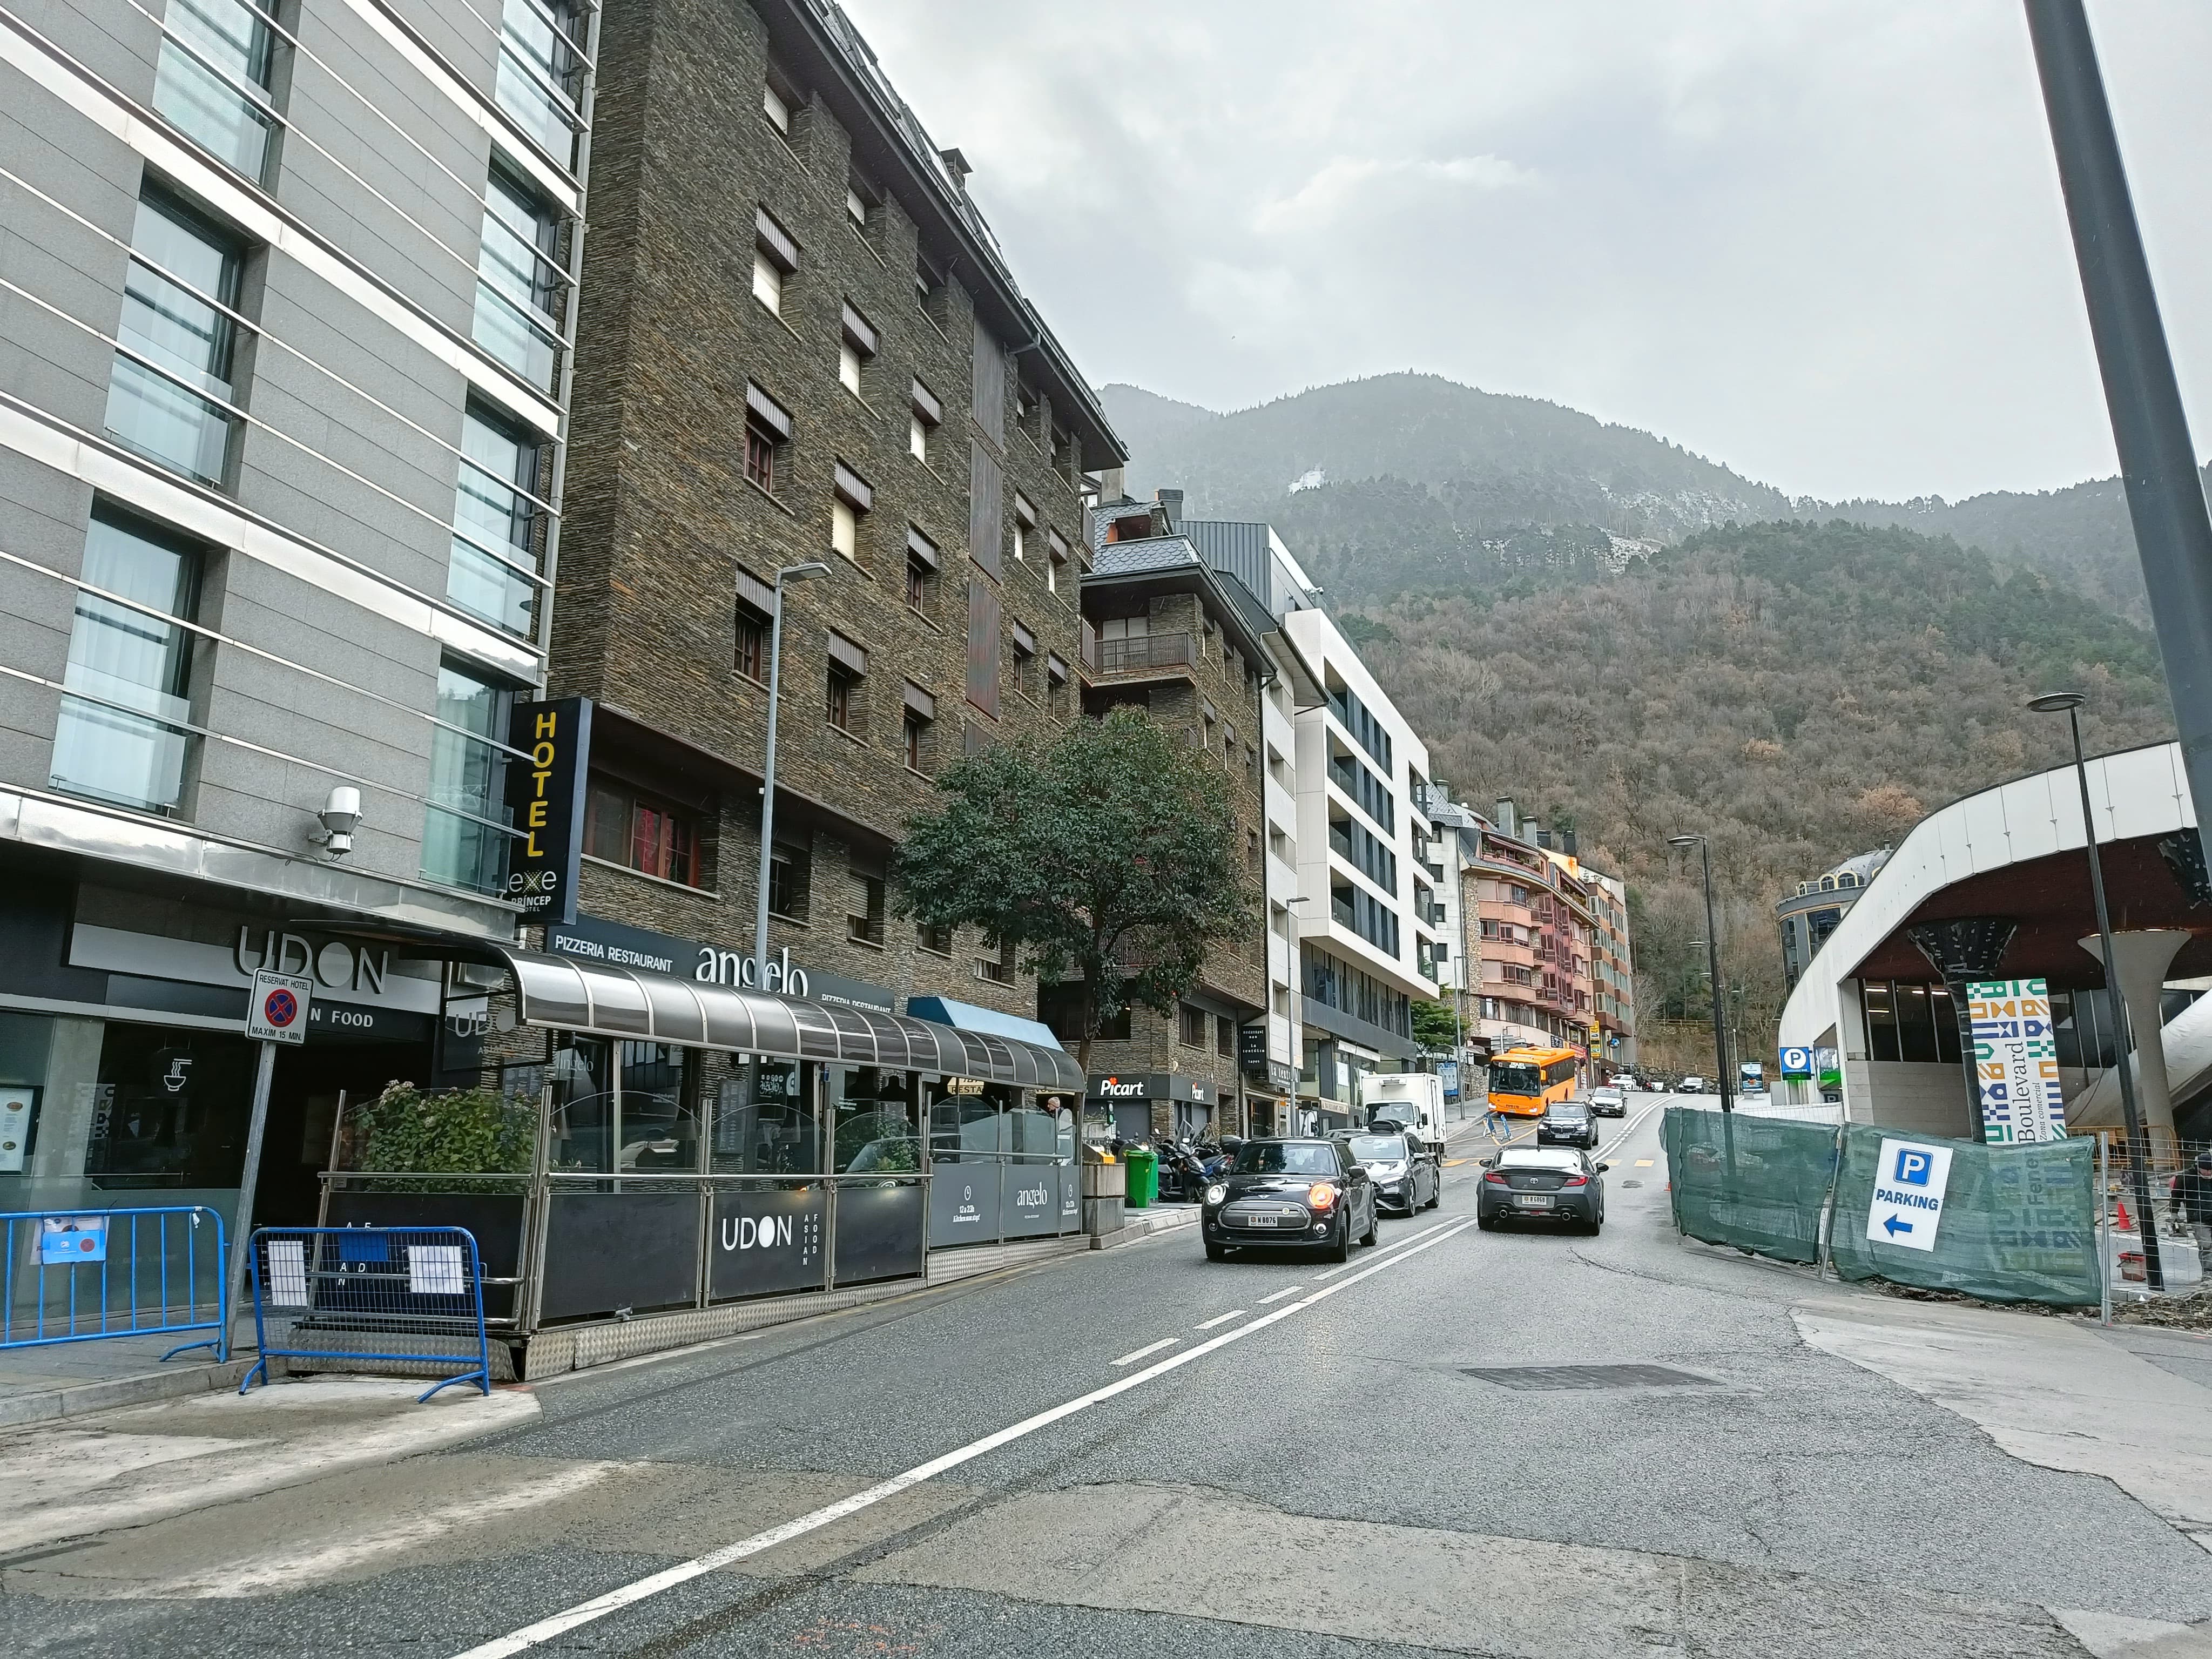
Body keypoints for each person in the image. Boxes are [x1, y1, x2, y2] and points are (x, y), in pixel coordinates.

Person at [2170, 1150, 2212, 1255]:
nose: (2208, 1173)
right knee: (2207, 1247)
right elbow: (2176, 1196)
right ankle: (2208, 1271)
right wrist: (2174, 1213)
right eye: (2205, 1170)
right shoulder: (2186, 1177)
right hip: (2199, 1219)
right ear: (2198, 1167)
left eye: (2210, 1170)